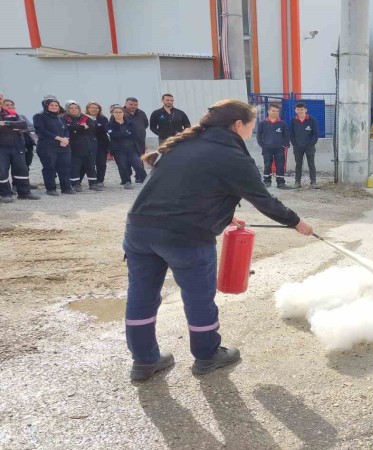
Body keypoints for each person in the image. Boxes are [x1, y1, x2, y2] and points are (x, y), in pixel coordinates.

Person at [123, 99, 313, 381]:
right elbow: (264, 200)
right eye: (250, 126)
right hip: (185, 238)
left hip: (139, 231)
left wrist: (223, 217)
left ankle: (144, 360)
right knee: (199, 298)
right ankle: (207, 355)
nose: (251, 131)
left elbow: (187, 189)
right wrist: (297, 222)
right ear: (238, 125)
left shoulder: (184, 144)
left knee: (142, 296)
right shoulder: (231, 155)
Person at [0, 92, 40, 202]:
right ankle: (5, 194)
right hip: (2, 147)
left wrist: (6, 124)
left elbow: (22, 124)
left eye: (0, 98)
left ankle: (24, 193)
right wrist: (13, 126)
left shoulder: (11, 112)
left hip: (17, 146)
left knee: (22, 170)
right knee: (2, 171)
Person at [33, 98, 73, 196]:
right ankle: (51, 189)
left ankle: (66, 188)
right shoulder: (39, 116)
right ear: (46, 106)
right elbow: (41, 131)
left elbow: (66, 129)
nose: (54, 107)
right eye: (52, 105)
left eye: (56, 105)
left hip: (63, 146)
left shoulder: (61, 118)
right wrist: (59, 138)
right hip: (47, 147)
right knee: (49, 167)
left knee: (65, 167)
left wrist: (66, 138)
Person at [63, 101, 102, 192]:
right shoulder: (64, 118)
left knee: (91, 166)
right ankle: (75, 184)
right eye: (71, 108)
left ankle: (93, 184)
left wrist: (77, 129)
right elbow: (69, 129)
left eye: (76, 108)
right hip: (74, 147)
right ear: (67, 109)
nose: (74, 110)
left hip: (89, 146)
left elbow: (92, 128)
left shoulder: (85, 117)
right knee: (75, 166)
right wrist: (82, 127)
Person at [108, 106, 146, 190]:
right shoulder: (110, 124)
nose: (118, 114)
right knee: (123, 166)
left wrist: (122, 134)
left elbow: (134, 134)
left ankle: (146, 180)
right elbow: (113, 135)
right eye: (116, 112)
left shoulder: (130, 123)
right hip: (119, 150)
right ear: (112, 114)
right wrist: (126, 133)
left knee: (138, 165)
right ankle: (126, 181)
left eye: (120, 112)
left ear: (123, 113)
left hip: (132, 148)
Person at [256, 103, 290, 189]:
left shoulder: (282, 123)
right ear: (268, 111)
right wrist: (262, 145)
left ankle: (280, 183)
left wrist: (284, 145)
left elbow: (286, 136)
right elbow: (259, 135)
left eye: (277, 111)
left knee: (280, 165)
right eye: (273, 111)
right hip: (267, 149)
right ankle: (267, 181)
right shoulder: (262, 123)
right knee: (267, 165)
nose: (275, 113)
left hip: (279, 149)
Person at [289, 102, 320, 189]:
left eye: (302, 109)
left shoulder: (312, 120)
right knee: (298, 164)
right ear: (295, 110)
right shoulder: (293, 121)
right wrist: (294, 144)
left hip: (309, 146)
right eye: (298, 109)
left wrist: (311, 144)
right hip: (297, 146)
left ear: (306, 110)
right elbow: (291, 134)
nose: (300, 111)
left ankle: (313, 182)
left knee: (311, 164)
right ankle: (297, 182)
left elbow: (315, 133)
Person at [85, 102, 109, 188]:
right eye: (92, 107)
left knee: (101, 164)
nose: (94, 109)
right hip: (88, 144)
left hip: (101, 144)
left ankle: (100, 181)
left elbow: (104, 129)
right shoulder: (84, 118)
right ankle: (92, 181)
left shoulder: (103, 119)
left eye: (96, 108)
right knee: (90, 164)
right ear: (88, 109)